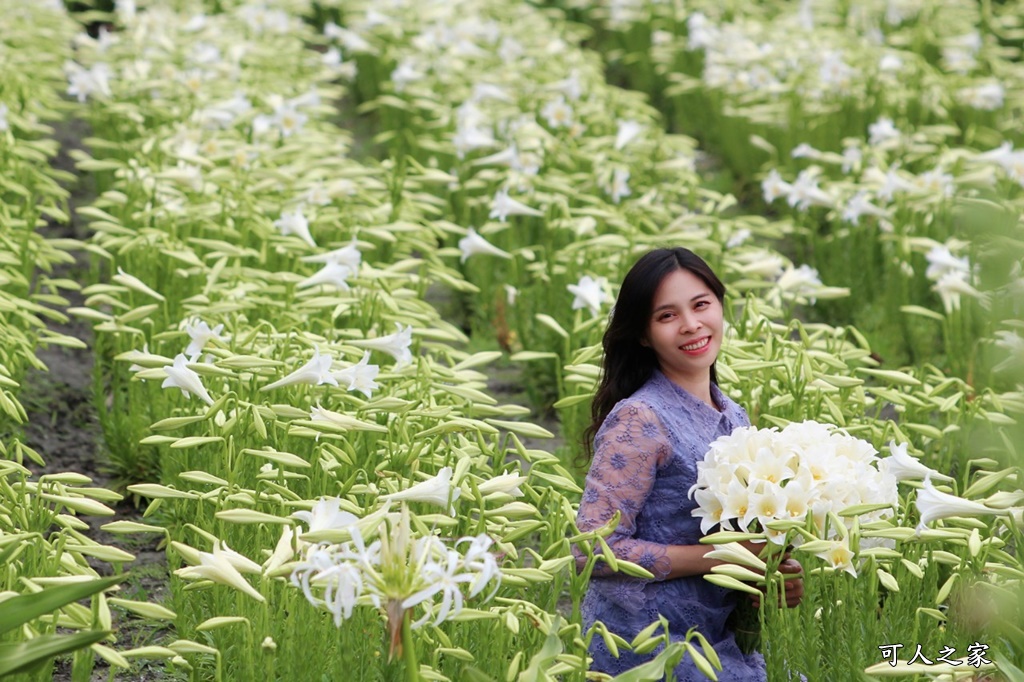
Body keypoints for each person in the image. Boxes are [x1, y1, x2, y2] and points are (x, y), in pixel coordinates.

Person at [574, 247, 803, 681]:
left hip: (716, 636)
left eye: (701, 305)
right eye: (667, 316)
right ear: (643, 335)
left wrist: (772, 575)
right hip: (645, 642)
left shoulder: (734, 416)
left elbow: (740, 538)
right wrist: (721, 557)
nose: (692, 325)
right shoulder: (640, 419)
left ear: (720, 305)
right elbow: (592, 551)